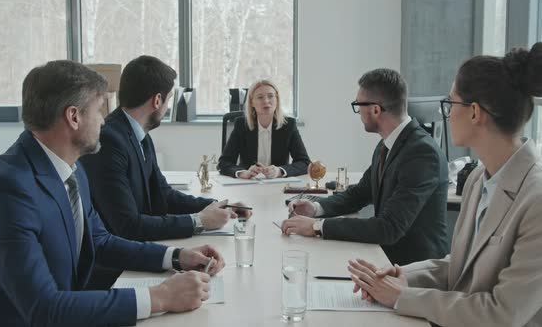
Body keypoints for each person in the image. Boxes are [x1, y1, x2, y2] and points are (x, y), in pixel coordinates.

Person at [0, 60, 225, 326]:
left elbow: (100, 241)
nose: (105, 122)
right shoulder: (5, 193)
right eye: (98, 111)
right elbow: (44, 309)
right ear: (73, 116)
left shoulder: (72, 169)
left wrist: (176, 256)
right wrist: (161, 297)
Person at [347, 43, 542, 327]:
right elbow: (458, 266)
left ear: (475, 113)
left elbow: (503, 313)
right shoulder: (478, 178)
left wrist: (402, 297)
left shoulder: (536, 199)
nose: (446, 114)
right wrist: (401, 276)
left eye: (450, 104)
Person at [282, 68, 448, 265]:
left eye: (358, 105)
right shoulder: (385, 145)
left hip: (415, 270)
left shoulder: (421, 153)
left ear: (375, 110)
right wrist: (316, 208)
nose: (358, 111)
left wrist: (318, 227)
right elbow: (360, 193)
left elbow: (389, 227)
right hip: (386, 259)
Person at [80, 55, 251, 244]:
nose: (167, 107)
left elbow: (163, 194)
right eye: (169, 100)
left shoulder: (140, 136)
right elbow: (127, 225)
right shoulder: (109, 141)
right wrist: (198, 221)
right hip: (120, 263)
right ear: (157, 100)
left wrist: (219, 206)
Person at [217, 79, 311, 179]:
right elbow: (224, 163)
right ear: (252, 102)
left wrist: (279, 171)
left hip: (278, 185)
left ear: (277, 99)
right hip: (248, 185)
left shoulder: (288, 125)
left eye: (270, 96)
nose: (266, 101)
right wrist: (243, 173)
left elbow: (304, 162)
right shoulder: (241, 125)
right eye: (260, 97)